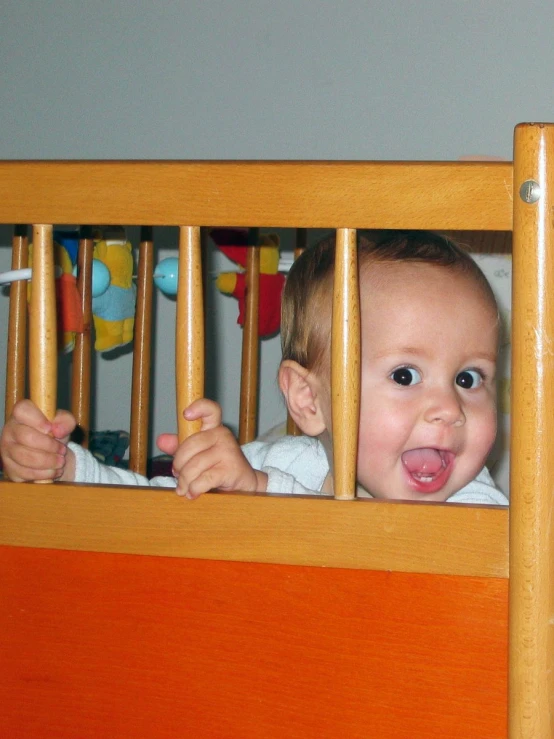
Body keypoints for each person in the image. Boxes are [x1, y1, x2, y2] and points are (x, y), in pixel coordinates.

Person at [0, 230, 508, 506]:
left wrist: (261, 496)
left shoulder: (479, 510)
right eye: (405, 375)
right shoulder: (281, 463)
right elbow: (151, 513)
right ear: (309, 401)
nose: (449, 408)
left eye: (468, 378)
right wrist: (65, 468)